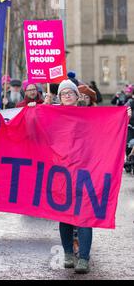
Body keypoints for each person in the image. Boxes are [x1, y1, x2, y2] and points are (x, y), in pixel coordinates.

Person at [31, 79, 131, 274]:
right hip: (61, 172)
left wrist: (124, 116)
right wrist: (35, 108)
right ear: (59, 97)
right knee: (64, 215)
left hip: (86, 172)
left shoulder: (89, 115)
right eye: (63, 93)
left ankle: (84, 257)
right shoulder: (51, 114)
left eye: (71, 92)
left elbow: (107, 127)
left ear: (77, 96)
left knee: (85, 215)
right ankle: (68, 253)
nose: (67, 95)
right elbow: (34, 128)